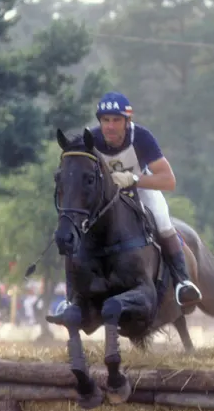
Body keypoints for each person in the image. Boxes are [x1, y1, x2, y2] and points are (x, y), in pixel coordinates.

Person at [86, 91, 201, 307]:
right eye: (105, 120)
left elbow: (168, 180)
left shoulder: (141, 137)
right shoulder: (91, 139)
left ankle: (182, 281)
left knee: (163, 221)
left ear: (127, 121)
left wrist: (134, 179)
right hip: (105, 198)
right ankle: (74, 295)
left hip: (141, 190)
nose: (110, 126)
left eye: (116, 120)